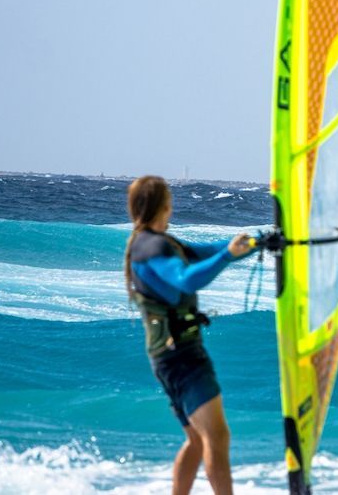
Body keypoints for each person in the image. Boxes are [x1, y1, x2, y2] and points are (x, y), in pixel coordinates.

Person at [124, 175, 255, 495]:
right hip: (179, 355)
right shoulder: (151, 246)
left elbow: (204, 251)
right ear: (164, 205)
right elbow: (186, 279)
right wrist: (227, 256)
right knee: (216, 437)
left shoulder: (155, 242)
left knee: (197, 440)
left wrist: (254, 244)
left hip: (169, 354)